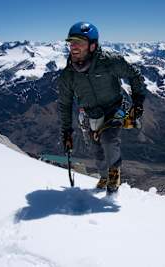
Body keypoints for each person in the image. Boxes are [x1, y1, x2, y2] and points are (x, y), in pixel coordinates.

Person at [58, 22, 147, 193]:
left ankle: (114, 173)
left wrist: (138, 102)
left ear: (92, 45)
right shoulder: (68, 75)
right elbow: (65, 104)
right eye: (71, 42)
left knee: (108, 139)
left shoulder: (109, 61)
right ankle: (104, 176)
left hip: (114, 108)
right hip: (90, 115)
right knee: (96, 150)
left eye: (79, 42)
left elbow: (134, 75)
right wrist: (67, 132)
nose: (74, 47)